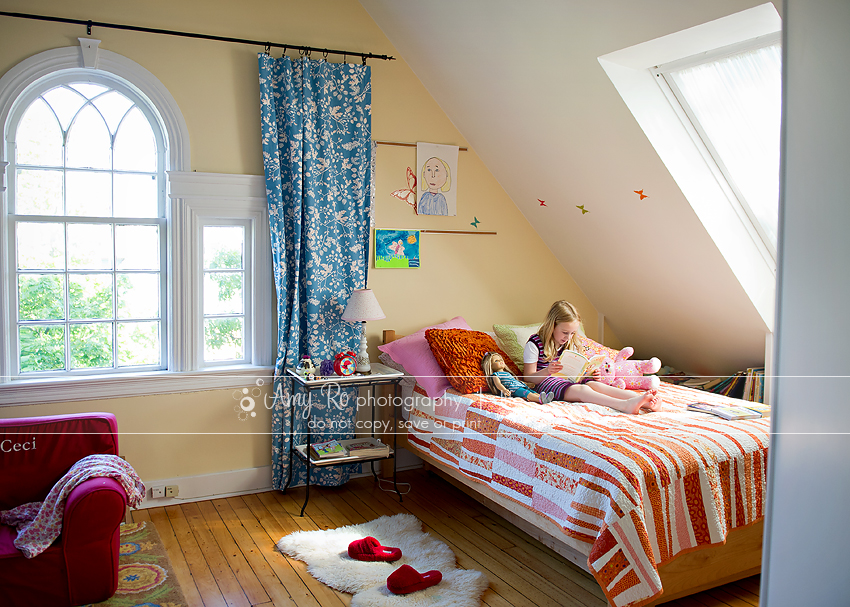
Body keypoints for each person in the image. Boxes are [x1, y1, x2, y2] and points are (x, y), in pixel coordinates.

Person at [523, 301, 660, 414]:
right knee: (583, 390)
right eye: (565, 332)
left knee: (596, 385)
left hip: (568, 380)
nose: (568, 337)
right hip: (545, 384)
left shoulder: (570, 342)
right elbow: (528, 378)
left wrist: (591, 373)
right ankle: (624, 405)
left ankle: (646, 402)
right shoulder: (535, 343)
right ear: (552, 326)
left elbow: (577, 371)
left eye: (572, 333)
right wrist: (547, 371)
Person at [481, 351, 555, 404]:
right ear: (490, 366)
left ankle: (544, 398)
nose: (501, 361)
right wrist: (503, 390)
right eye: (496, 361)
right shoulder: (496, 375)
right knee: (527, 393)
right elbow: (498, 384)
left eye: (501, 360)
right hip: (513, 389)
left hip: (519, 386)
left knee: (533, 392)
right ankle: (540, 399)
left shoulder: (507, 373)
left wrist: (526, 384)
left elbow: (515, 381)